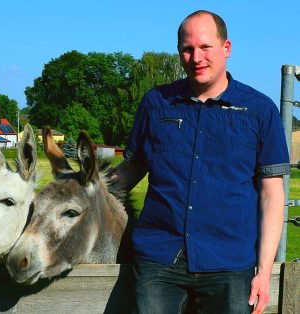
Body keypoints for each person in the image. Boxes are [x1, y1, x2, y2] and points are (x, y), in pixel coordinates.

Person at [114, 10, 289, 314]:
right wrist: (80, 187)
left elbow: (272, 193)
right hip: (159, 259)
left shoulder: (259, 110)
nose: (196, 57)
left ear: (226, 48)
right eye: (187, 48)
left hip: (230, 263)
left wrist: (264, 272)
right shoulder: (156, 103)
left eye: (205, 47)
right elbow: (131, 169)